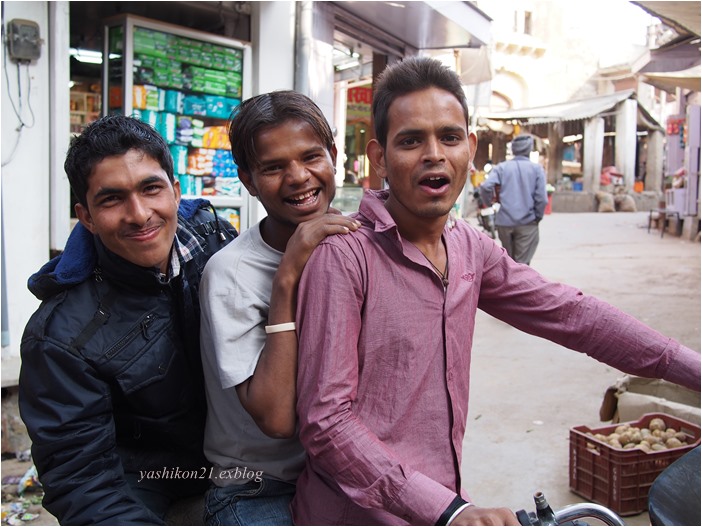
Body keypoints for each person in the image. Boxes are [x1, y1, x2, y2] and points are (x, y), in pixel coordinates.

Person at [290, 56, 701, 526]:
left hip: (446, 504)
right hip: (357, 515)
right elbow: (326, 423)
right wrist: (450, 511)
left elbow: (575, 316)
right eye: (411, 141)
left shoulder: (470, 246)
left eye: (448, 137)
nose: (433, 155)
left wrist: (694, 370)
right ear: (379, 158)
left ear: (471, 147)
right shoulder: (344, 257)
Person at [18, 115, 238, 525]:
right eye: (112, 199)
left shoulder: (214, 242)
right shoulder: (61, 336)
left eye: (150, 189)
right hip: (151, 484)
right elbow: (84, 484)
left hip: (242, 461)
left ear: (174, 191)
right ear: (86, 216)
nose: (139, 215)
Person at [198, 90, 360, 525]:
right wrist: (287, 275)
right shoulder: (230, 273)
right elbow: (275, 417)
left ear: (334, 156)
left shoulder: (356, 244)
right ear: (248, 181)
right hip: (259, 487)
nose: (298, 177)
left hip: (343, 473)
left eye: (311, 157)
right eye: (273, 167)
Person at [479, 133, 547, 265]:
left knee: (509, 264)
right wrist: (537, 217)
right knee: (522, 266)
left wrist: (489, 204)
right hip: (527, 222)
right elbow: (542, 199)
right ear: (529, 149)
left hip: (504, 222)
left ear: (514, 150)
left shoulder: (501, 168)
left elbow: (486, 187)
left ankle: (509, 284)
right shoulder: (536, 169)